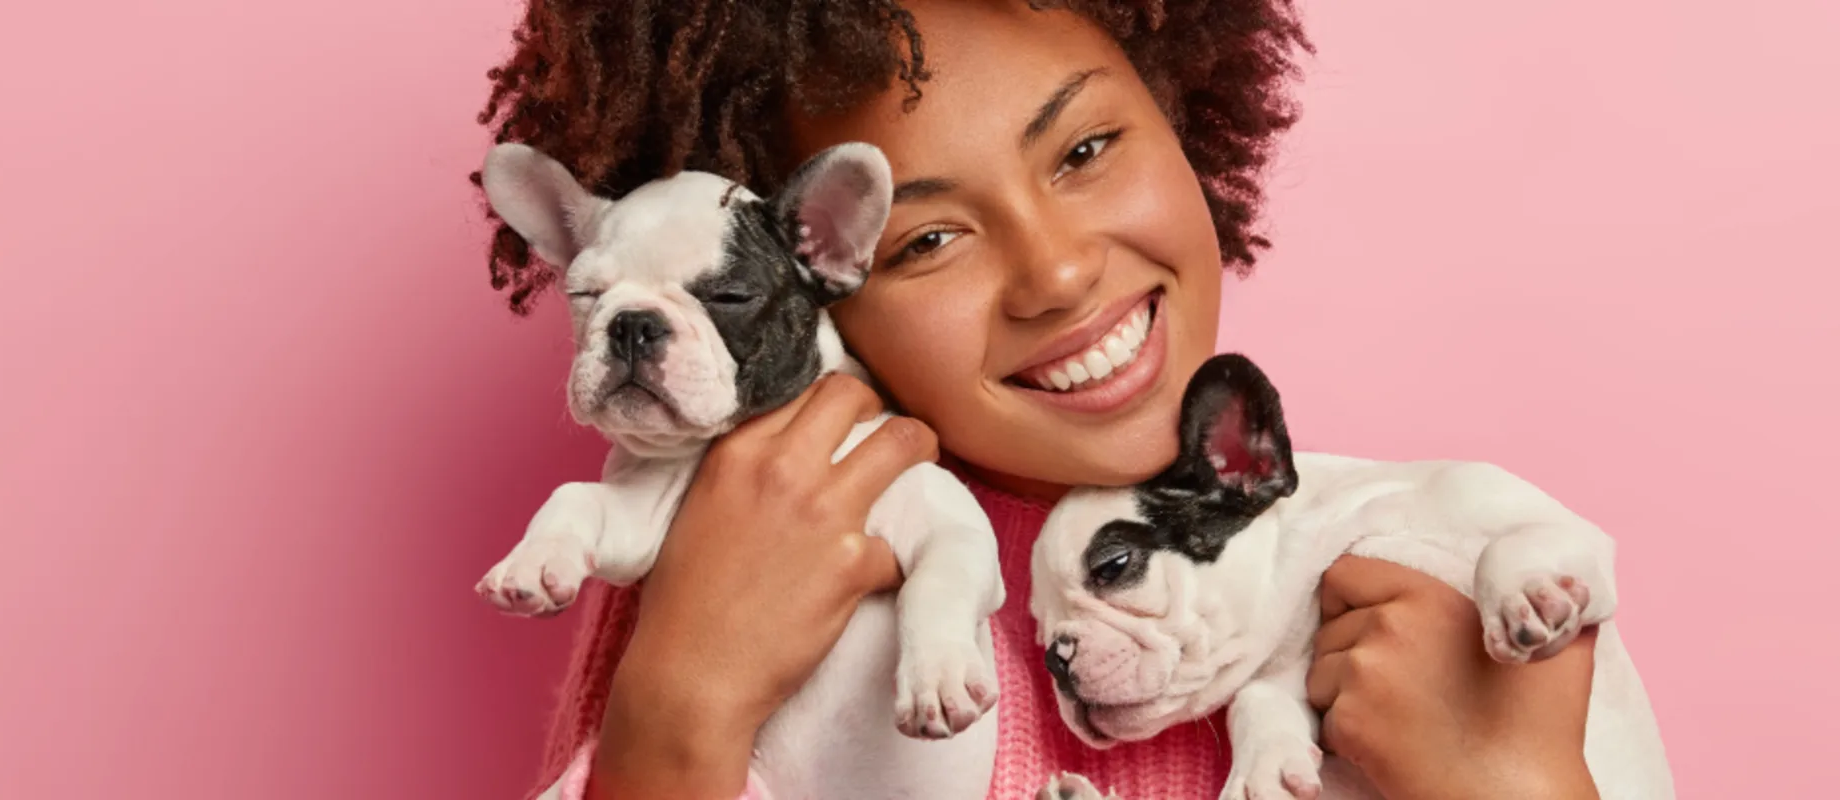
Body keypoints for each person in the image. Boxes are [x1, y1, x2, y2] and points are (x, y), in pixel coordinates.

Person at [472, 1, 1611, 798]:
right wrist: (679, 709)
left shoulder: (1454, 576)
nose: (1057, 272)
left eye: (1085, 149)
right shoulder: (742, 554)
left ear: (1185, 113)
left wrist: (1518, 787)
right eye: (923, 237)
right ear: (815, 276)